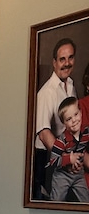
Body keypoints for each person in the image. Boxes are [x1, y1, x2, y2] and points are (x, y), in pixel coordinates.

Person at [33, 38, 77, 199]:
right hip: (48, 159)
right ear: (54, 62)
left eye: (70, 57)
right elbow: (44, 134)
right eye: (62, 59)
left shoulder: (71, 86)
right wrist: (66, 160)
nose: (67, 63)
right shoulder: (46, 93)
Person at [47, 96, 89, 202]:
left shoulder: (86, 131)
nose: (74, 120)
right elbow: (53, 161)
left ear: (81, 112)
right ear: (64, 123)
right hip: (62, 175)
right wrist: (69, 159)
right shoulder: (61, 140)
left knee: (85, 201)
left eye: (76, 114)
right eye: (69, 119)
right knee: (56, 201)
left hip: (78, 174)